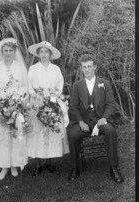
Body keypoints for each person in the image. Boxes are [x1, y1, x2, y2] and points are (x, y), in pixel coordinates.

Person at [67, 54, 124, 183]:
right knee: (73, 135)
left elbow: (111, 105)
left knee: (110, 131)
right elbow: (73, 107)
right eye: (84, 67)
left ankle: (114, 167)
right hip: (84, 121)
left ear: (95, 67)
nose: (87, 69)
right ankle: (74, 167)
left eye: (89, 66)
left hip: (100, 120)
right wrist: (80, 121)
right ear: (81, 69)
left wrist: (103, 118)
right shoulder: (77, 86)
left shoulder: (104, 84)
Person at [0, 37, 29, 180]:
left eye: (11, 50)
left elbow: (25, 86)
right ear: (1, 51)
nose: (8, 53)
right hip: (0, 108)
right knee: (3, 136)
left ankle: (14, 165)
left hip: (16, 106)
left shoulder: (20, 67)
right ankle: (4, 166)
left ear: (14, 51)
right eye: (5, 50)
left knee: (14, 135)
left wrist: (18, 101)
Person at [27, 41, 69, 176]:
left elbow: (59, 85)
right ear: (38, 54)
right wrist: (37, 96)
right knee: (38, 133)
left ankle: (49, 162)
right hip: (37, 103)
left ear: (50, 54)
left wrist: (52, 96)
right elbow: (29, 85)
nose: (44, 54)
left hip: (51, 103)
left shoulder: (55, 69)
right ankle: (38, 164)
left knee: (51, 130)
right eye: (41, 52)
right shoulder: (33, 68)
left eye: (46, 52)